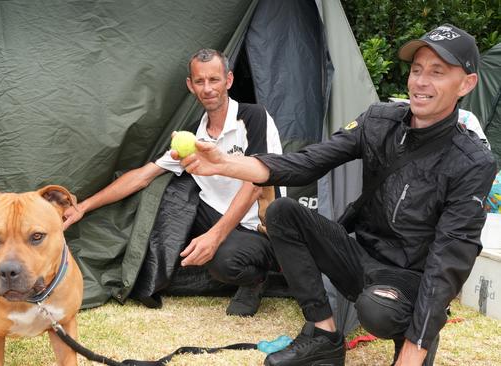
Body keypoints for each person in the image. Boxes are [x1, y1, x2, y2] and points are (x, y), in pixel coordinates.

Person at [175, 24, 496, 365]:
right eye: (417, 70)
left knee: (377, 309)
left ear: (466, 83)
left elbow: (449, 260)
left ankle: (413, 338)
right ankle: (324, 335)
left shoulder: (472, 161)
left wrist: (414, 350)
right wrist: (224, 163)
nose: (420, 82)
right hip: (360, 255)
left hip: (409, 279)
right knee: (283, 211)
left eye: (437, 72)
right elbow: (307, 162)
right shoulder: (379, 120)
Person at [62, 48, 283, 317]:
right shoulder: (191, 136)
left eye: (214, 80)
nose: (208, 88)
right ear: (190, 86)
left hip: (256, 228)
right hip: (213, 216)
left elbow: (256, 185)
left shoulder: (254, 117)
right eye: (200, 81)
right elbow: (142, 177)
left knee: (225, 262)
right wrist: (83, 207)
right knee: (170, 190)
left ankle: (255, 279)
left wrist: (215, 237)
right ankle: (157, 273)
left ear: (229, 80)